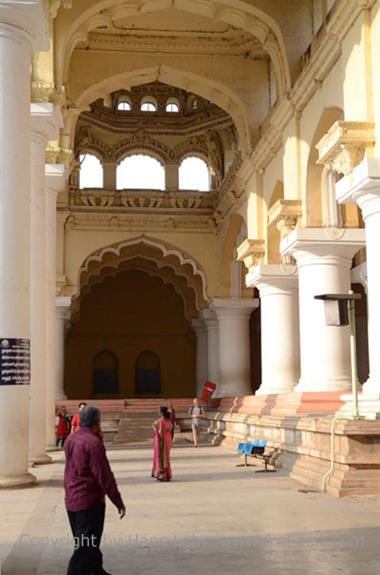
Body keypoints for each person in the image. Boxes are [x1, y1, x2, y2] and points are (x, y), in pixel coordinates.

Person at [64, 406, 126, 575]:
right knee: (84, 548)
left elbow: (70, 469)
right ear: (97, 422)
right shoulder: (93, 443)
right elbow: (104, 475)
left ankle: (97, 571)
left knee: (88, 542)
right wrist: (117, 500)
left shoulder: (71, 439)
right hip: (89, 502)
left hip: (72, 500)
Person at [151, 406, 173, 482]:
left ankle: (161, 475)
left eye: (159, 411)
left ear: (161, 412)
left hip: (161, 441)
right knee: (166, 458)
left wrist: (154, 426)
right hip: (168, 440)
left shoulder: (161, 421)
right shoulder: (169, 421)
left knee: (160, 457)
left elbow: (158, 431)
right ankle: (167, 474)